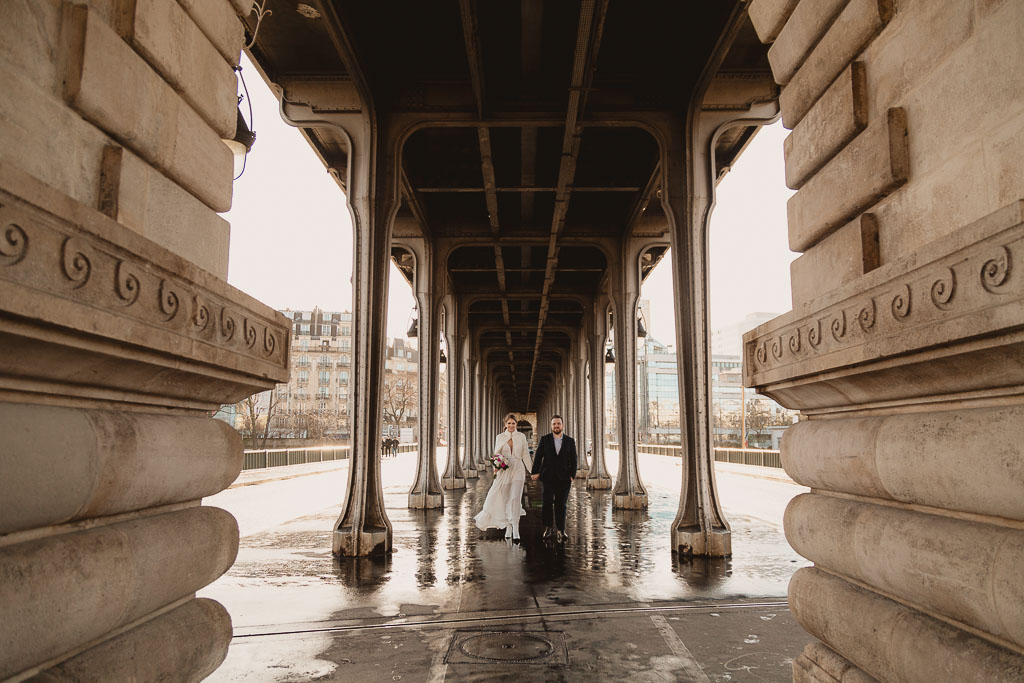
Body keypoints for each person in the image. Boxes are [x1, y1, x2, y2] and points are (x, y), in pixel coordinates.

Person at [474, 413, 533, 542]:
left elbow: (525, 456)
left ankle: (516, 528)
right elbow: (496, 454)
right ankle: (508, 526)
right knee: (504, 498)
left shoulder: (521, 436)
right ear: (505, 424)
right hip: (504, 470)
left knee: (515, 499)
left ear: (516, 424)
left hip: (518, 468)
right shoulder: (500, 437)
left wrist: (532, 471)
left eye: (513, 423)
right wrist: (497, 466)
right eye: (509, 423)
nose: (511, 425)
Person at [530, 415, 577, 543]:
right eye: (554, 424)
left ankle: (561, 529)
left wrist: (572, 474)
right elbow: (538, 456)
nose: (556, 426)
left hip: (564, 479)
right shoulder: (545, 440)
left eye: (558, 424)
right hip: (548, 477)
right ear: (551, 426)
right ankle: (549, 528)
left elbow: (574, 459)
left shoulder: (569, 441)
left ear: (562, 425)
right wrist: (535, 471)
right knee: (547, 503)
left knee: (561, 504)